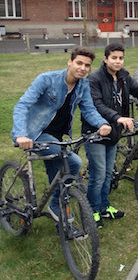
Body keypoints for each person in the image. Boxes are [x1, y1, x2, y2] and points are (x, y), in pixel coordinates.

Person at [11, 47, 112, 225]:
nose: (82, 68)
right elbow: (22, 105)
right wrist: (20, 135)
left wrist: (102, 123)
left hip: (56, 136)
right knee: (73, 162)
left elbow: (89, 110)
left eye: (87, 65)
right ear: (69, 62)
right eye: (79, 63)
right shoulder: (47, 79)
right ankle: (56, 207)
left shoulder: (83, 86)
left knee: (57, 175)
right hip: (34, 134)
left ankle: (61, 222)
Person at [82, 43, 138, 227]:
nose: (117, 61)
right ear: (105, 59)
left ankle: (104, 207)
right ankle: (92, 211)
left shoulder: (123, 76)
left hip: (114, 132)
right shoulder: (94, 79)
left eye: (120, 58)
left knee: (107, 174)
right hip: (96, 133)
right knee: (98, 175)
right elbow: (97, 104)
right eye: (113, 58)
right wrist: (118, 117)